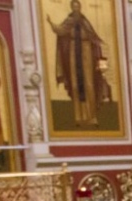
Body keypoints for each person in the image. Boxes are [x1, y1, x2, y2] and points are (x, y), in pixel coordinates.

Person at [47, 0, 109, 128]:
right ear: (71, 8)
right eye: (74, 7)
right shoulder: (69, 21)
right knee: (76, 85)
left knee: (89, 84)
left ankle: (92, 117)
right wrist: (51, 23)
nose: (76, 9)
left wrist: (100, 60)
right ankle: (79, 117)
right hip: (73, 53)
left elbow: (93, 38)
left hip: (86, 52)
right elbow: (61, 30)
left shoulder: (85, 22)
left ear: (80, 8)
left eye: (77, 6)